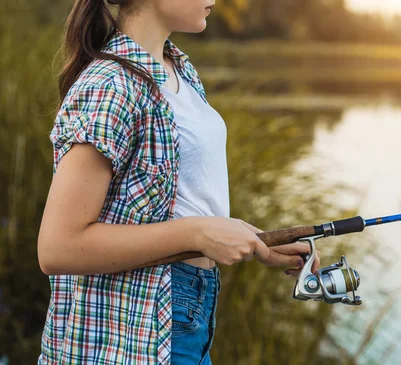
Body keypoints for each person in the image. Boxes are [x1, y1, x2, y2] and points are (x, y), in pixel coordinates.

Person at [36, 0, 320, 364]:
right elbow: (58, 248)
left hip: (187, 314)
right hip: (134, 331)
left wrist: (260, 242)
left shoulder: (179, 70)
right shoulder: (110, 84)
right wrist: (196, 234)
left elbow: (184, 204)